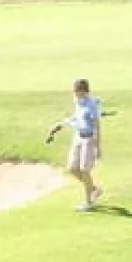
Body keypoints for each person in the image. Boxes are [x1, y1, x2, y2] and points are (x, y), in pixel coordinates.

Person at [47, 78, 103, 211]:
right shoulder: (78, 102)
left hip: (89, 139)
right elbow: (75, 117)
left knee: (84, 170)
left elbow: (96, 126)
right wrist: (59, 124)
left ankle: (89, 202)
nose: (74, 93)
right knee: (72, 168)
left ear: (83, 91)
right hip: (78, 137)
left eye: (76, 91)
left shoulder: (91, 105)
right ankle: (94, 189)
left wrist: (98, 146)